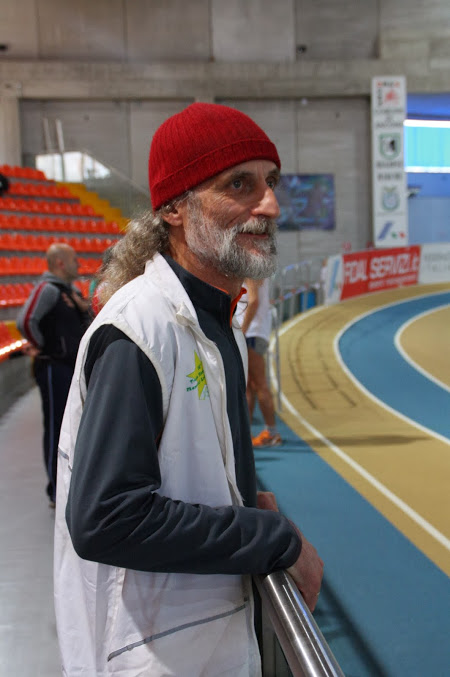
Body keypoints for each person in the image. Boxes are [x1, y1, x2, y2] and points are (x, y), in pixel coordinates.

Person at [54, 103, 323, 676]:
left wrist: (246, 501)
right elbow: (106, 518)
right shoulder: (142, 329)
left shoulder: (213, 318)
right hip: (154, 654)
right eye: (239, 185)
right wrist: (270, 534)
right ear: (176, 207)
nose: (270, 205)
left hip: (198, 644)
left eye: (270, 182)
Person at [17, 243, 92, 505]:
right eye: (73, 259)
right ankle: (55, 489)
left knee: (71, 426)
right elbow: (25, 320)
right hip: (54, 366)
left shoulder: (69, 291)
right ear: (60, 263)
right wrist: (43, 346)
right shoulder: (47, 289)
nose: (78, 264)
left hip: (69, 366)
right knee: (56, 426)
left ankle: (69, 483)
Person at [238, 277, 282, 447]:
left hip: (252, 333)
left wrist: (242, 331)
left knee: (259, 383)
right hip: (253, 331)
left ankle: (272, 432)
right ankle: (245, 433)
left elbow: (254, 301)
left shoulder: (251, 267)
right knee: (249, 385)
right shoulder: (252, 263)